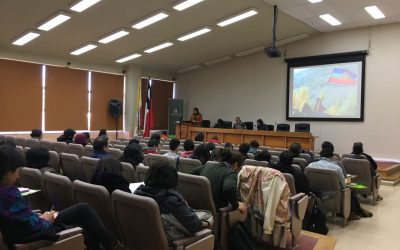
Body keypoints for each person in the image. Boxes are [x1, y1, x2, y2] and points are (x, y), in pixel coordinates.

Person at [0, 145, 125, 250]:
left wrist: (39, 217)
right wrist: (46, 219)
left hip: (27, 228)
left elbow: (21, 217)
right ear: (7, 171)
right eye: (17, 171)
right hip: (34, 236)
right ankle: (113, 246)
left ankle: (113, 246)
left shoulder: (6, 193)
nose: (18, 176)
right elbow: (38, 226)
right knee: (86, 227)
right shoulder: (8, 195)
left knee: (83, 209)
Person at [134, 163, 203, 241]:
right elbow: (195, 226)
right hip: (171, 242)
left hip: (144, 239)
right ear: (173, 180)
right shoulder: (171, 201)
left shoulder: (138, 192)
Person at [307, 148, 371, 220]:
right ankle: (350, 213)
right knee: (351, 189)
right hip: (334, 194)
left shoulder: (310, 165)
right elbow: (344, 185)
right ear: (331, 157)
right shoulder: (336, 168)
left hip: (316, 193)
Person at [191, 149, 247, 213]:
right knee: (244, 207)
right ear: (236, 164)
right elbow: (229, 188)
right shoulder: (230, 173)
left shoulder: (208, 166)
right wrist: (236, 205)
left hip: (198, 203)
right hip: (217, 209)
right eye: (240, 167)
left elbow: (192, 174)